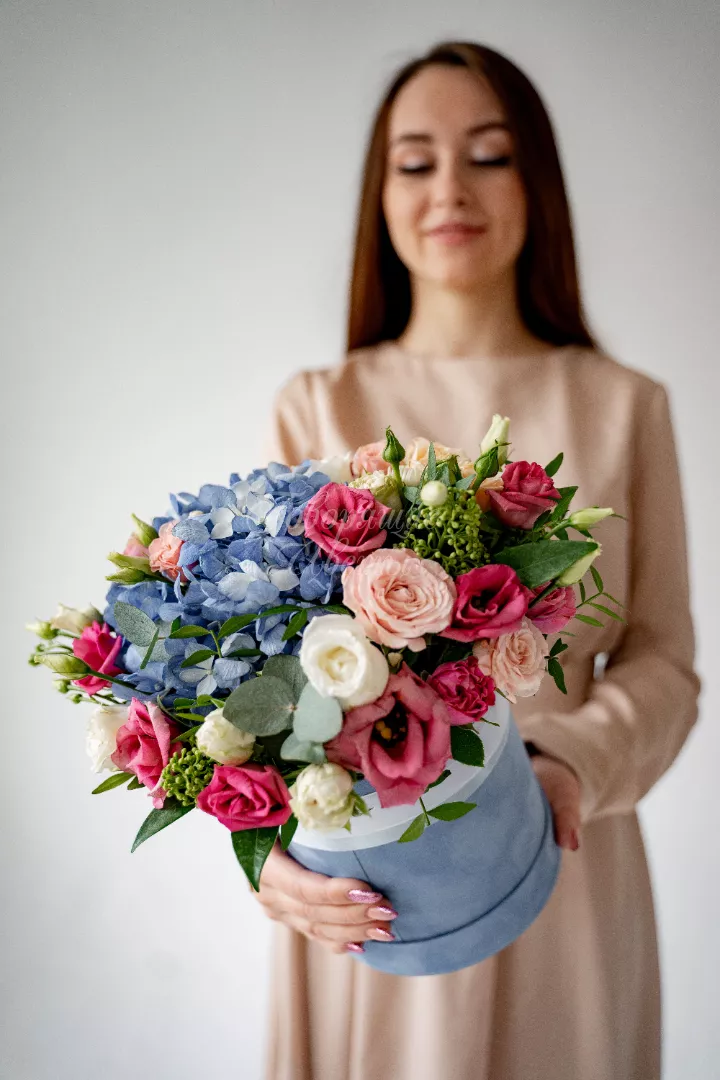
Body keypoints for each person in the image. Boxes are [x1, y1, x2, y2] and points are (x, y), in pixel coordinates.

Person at [255, 40, 701, 1080]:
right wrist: (266, 861)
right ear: (381, 197)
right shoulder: (317, 406)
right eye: (415, 162)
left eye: (489, 156)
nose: (450, 189)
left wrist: (569, 765)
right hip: (365, 884)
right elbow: (256, 675)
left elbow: (664, 661)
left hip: (561, 855)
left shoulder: (624, 406)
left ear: (536, 182)